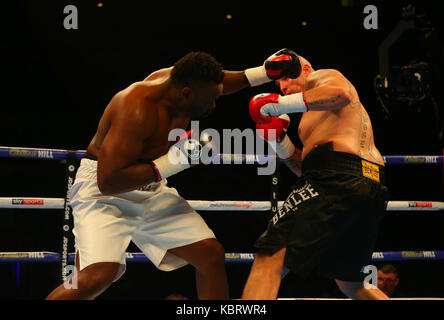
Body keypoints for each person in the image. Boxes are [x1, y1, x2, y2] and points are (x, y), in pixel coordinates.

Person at [45, 50, 291, 300]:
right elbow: (108, 181)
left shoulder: (184, 83)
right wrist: (175, 162)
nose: (214, 104)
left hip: (151, 190)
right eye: (211, 99)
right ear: (187, 93)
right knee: (98, 276)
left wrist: (264, 73)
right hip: (103, 194)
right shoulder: (136, 108)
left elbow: (220, 82)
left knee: (210, 254)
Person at [242, 48, 391, 300]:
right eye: (277, 82)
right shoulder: (310, 118)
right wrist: (280, 142)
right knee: (351, 284)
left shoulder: (323, 76)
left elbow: (340, 94)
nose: (281, 86)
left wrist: (276, 105)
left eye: (286, 77)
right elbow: (306, 168)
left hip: (337, 178)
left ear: (306, 69)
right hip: (369, 184)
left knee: (270, 255)